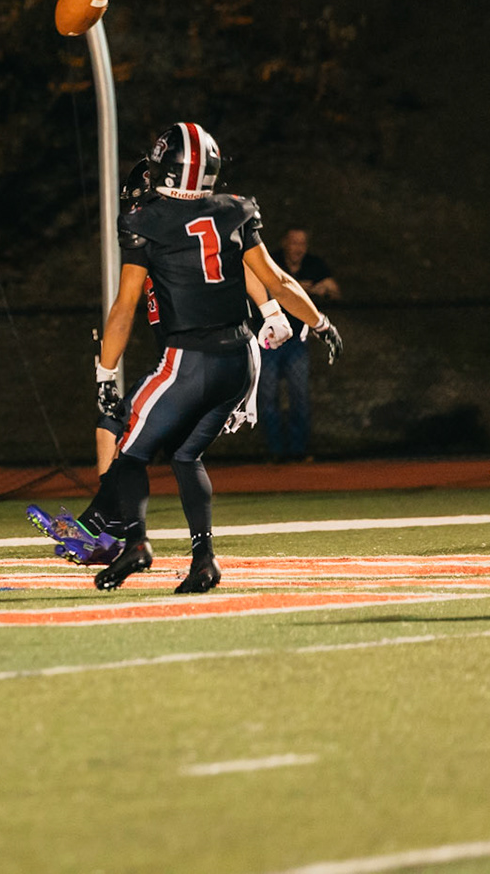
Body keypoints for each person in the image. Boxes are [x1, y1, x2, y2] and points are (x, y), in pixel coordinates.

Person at [82, 123, 341, 594]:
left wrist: (104, 371)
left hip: (189, 359)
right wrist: (319, 322)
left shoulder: (146, 221)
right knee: (186, 455)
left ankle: (131, 542)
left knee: (127, 450)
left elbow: (124, 308)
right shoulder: (234, 210)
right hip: (239, 359)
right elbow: (278, 280)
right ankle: (204, 560)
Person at [28, 160, 294, 563]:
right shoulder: (167, 233)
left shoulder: (175, 230)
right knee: (172, 451)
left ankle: (103, 528)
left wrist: (271, 310)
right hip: (195, 357)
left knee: (122, 426)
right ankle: (183, 551)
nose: (135, 212)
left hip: (215, 355)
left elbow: (241, 261)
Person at [259, 228, 340, 463]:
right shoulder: (271, 261)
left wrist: (315, 291)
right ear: (284, 243)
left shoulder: (314, 265)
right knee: (267, 396)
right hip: (270, 340)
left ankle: (298, 450)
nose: (298, 248)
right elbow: (265, 288)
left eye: (302, 243)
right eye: (294, 242)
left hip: (297, 340)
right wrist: (292, 289)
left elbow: (334, 290)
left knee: (299, 395)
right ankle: (275, 451)